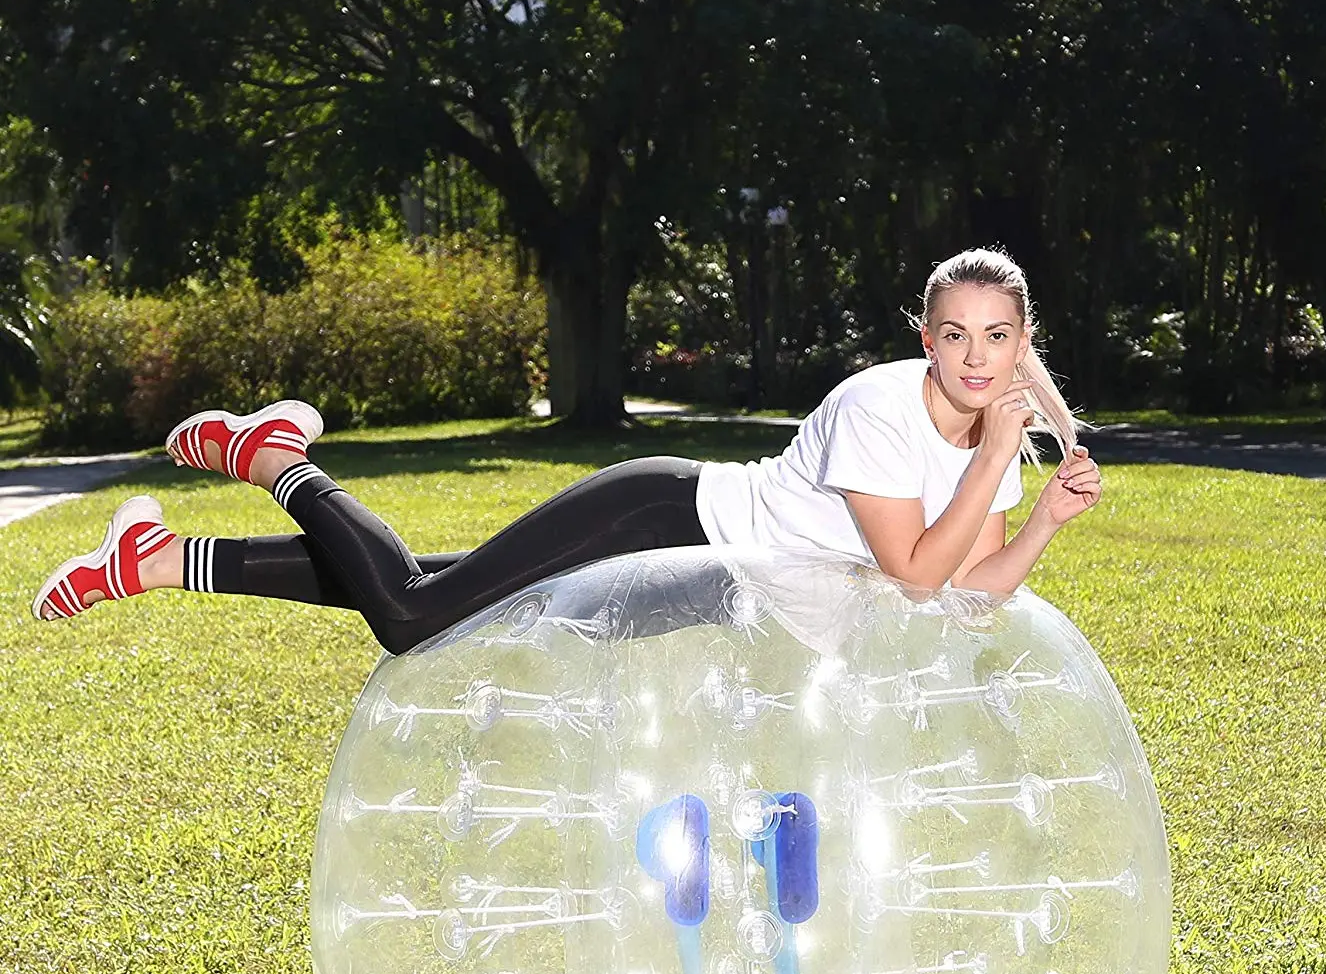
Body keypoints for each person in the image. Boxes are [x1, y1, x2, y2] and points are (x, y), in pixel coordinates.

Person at [32, 247, 1102, 655]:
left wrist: (1044, 517)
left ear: (1020, 343)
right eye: (954, 334)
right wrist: (986, 465)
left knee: (442, 592)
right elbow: (915, 577)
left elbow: (972, 590)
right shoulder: (880, 406)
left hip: (711, 593)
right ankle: (275, 457)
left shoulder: (992, 445)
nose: (974, 358)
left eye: (996, 337)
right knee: (412, 620)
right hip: (663, 521)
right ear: (926, 336)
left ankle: (158, 560)